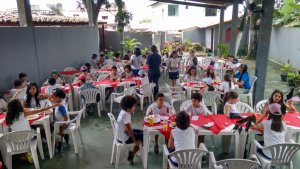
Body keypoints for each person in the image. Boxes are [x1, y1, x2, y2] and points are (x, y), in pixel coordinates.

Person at [116, 96, 143, 165]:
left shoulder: (123, 111)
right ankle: (133, 153)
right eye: (134, 106)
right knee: (143, 136)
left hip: (119, 135)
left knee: (142, 133)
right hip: (124, 138)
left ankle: (135, 150)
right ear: (128, 108)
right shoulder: (126, 115)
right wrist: (135, 141)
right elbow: (130, 131)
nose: (135, 107)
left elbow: (126, 128)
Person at [50, 88, 69, 152]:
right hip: (60, 122)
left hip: (63, 124)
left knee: (48, 128)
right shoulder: (59, 102)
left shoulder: (61, 106)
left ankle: (57, 142)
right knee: (50, 125)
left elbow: (66, 118)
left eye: (53, 96)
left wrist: (62, 128)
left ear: (58, 97)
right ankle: (64, 136)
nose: (51, 98)